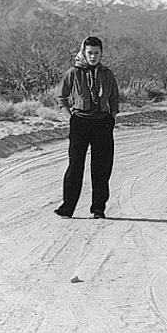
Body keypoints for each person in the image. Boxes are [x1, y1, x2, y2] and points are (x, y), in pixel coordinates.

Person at [53, 36, 120, 219]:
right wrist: (70, 118)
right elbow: (61, 96)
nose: (93, 57)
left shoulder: (107, 74)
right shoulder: (73, 73)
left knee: (101, 167)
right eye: (89, 53)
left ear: (101, 53)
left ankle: (98, 208)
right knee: (75, 166)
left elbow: (114, 97)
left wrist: (112, 117)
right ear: (83, 52)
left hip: (102, 123)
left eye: (96, 53)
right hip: (80, 122)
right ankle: (67, 207)